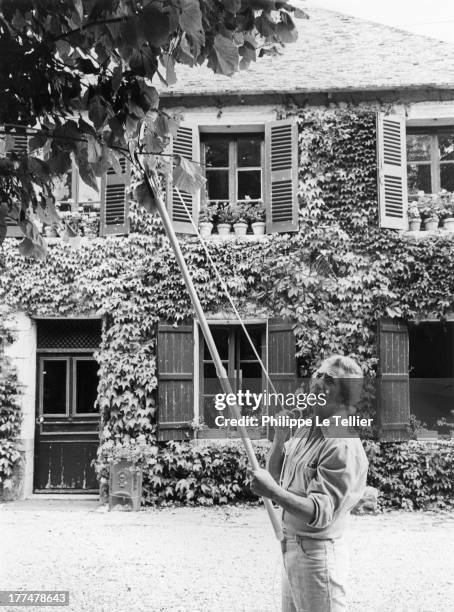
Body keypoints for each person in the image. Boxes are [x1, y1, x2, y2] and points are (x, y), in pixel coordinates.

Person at [249, 355, 369, 612]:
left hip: (317, 557)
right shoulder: (308, 427)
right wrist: (280, 438)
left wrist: (273, 493)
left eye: (329, 380)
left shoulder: (341, 441)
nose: (317, 382)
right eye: (318, 374)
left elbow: (320, 511)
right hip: (292, 547)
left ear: (345, 396)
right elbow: (276, 474)